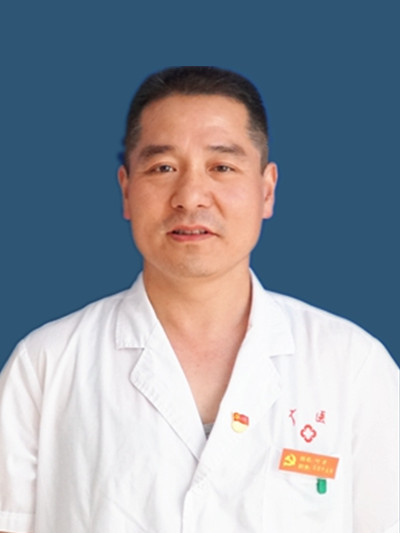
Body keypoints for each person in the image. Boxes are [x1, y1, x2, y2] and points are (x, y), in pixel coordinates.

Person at [0, 66, 398, 533]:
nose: (190, 197)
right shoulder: (45, 366)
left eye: (222, 167)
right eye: (163, 168)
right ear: (126, 190)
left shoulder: (353, 367)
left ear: (266, 190)